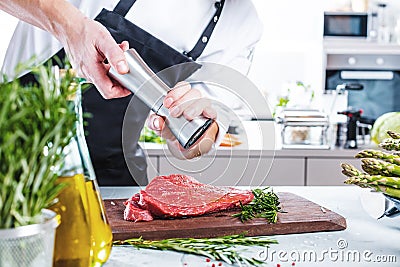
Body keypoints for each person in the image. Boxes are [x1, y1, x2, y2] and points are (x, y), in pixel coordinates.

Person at [1, 0, 262, 186]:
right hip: (14, 153)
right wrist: (71, 27)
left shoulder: (242, 24)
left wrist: (190, 129)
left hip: (111, 172)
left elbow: (206, 136)